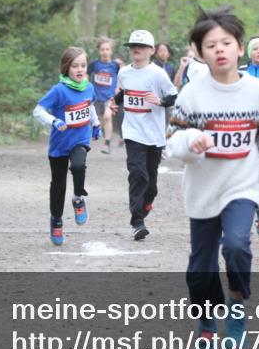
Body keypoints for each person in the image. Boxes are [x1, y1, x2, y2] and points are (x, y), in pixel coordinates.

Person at [166, 7, 259, 349]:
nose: (219, 50)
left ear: (240, 48)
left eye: (226, 42)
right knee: (200, 268)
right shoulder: (191, 95)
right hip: (203, 191)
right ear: (199, 53)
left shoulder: (256, 92)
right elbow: (171, 142)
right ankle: (206, 322)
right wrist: (191, 141)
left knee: (236, 246)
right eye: (210, 45)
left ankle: (236, 303)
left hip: (243, 185)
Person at [110, 30, 178, 241]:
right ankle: (137, 221)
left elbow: (173, 96)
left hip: (154, 135)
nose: (135, 49)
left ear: (151, 50)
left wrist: (160, 101)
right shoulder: (124, 72)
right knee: (138, 174)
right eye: (132, 46)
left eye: (140, 46)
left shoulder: (158, 73)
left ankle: (146, 202)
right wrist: (116, 102)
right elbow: (126, 92)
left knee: (152, 185)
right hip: (132, 132)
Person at [32, 46, 101, 246]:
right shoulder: (59, 90)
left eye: (83, 65)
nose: (80, 70)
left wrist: (95, 124)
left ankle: (79, 198)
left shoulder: (88, 87)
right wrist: (53, 121)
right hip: (59, 145)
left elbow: (89, 106)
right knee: (58, 185)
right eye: (75, 66)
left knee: (78, 166)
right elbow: (38, 110)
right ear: (66, 68)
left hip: (80, 139)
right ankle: (56, 221)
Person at [89, 37, 120, 154]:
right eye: (102, 49)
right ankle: (102, 129)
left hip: (110, 97)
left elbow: (120, 78)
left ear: (111, 51)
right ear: (99, 51)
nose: (105, 52)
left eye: (107, 49)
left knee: (107, 117)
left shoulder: (115, 65)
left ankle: (107, 144)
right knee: (98, 119)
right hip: (96, 97)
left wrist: (117, 90)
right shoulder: (94, 64)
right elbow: (86, 77)